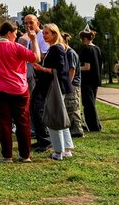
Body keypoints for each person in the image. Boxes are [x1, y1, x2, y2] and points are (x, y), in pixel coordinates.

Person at [0, 21, 40, 163]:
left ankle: (7, 155)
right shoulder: (17, 47)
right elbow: (36, 58)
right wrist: (34, 40)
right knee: (23, 122)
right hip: (19, 89)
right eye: (15, 33)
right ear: (9, 33)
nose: (16, 36)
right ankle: (25, 155)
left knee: (4, 123)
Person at [33, 23, 74, 160]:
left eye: (47, 33)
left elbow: (61, 70)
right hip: (57, 86)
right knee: (60, 117)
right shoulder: (56, 48)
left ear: (54, 34)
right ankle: (66, 149)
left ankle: (58, 151)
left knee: (54, 118)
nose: (44, 36)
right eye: (43, 33)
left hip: (55, 87)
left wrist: (42, 69)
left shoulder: (56, 48)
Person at [18, 14, 51, 151]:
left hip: (43, 76)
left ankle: (46, 140)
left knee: (38, 108)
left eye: (31, 22)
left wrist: (31, 58)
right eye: (26, 23)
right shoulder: (32, 38)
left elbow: (41, 57)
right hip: (35, 76)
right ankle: (40, 138)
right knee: (33, 107)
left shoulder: (42, 36)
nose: (28, 26)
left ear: (38, 23)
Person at [78, 27, 103, 132]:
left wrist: (76, 69)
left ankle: (93, 126)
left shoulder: (87, 49)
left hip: (87, 80)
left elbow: (87, 67)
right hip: (95, 79)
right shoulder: (97, 49)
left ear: (84, 38)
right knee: (92, 103)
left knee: (88, 104)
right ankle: (96, 124)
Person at [62, 33, 85, 138]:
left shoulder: (70, 53)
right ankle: (72, 129)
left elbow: (72, 70)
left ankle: (77, 131)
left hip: (73, 84)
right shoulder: (66, 52)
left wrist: (68, 84)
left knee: (73, 107)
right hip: (70, 84)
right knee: (69, 106)